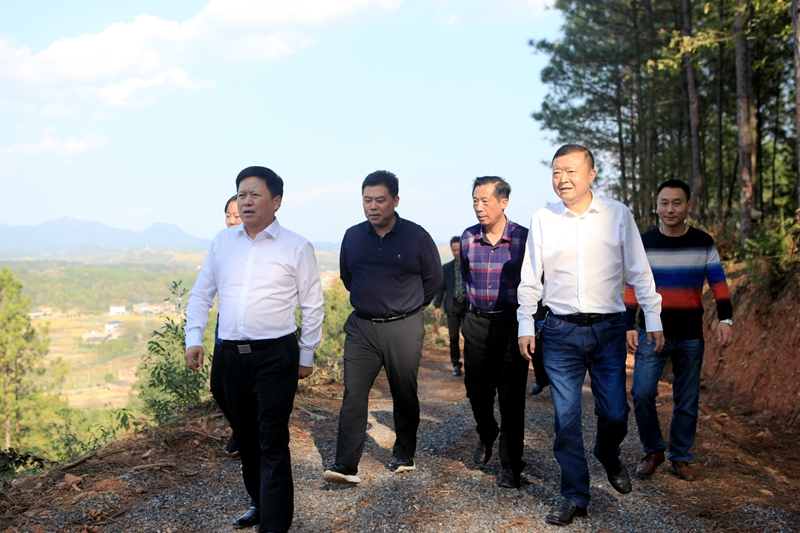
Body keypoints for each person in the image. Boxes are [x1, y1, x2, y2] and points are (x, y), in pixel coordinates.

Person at [517, 144, 664, 526]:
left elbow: (639, 270)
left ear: (591, 174)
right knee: (566, 420)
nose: (562, 179)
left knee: (615, 413)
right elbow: (531, 278)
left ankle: (607, 452)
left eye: (571, 171)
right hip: (560, 332)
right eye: (556, 172)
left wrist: (653, 316)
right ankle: (574, 495)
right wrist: (526, 324)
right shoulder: (543, 219)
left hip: (608, 330)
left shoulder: (617, 214)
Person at [184, 166, 324, 532]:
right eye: (241, 194)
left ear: (276, 201)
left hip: (275, 356)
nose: (246, 201)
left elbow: (312, 305)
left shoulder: (296, 246)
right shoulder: (222, 242)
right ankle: (260, 503)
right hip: (230, 357)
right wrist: (193, 338)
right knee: (246, 439)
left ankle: (274, 526)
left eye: (255, 194)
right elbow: (201, 295)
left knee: (272, 440)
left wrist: (306, 354)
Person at [324, 170, 442, 485]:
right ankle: (345, 464)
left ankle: (404, 452)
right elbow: (348, 277)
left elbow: (433, 279)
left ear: (395, 201)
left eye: (380, 200)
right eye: (367, 200)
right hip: (362, 327)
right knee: (354, 393)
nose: (373, 206)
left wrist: (409, 308)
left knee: (403, 391)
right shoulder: (352, 236)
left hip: (403, 326)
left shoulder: (416, 236)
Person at [625, 179, 734, 482]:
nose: (670, 209)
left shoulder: (703, 242)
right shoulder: (644, 243)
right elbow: (633, 285)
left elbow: (718, 283)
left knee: (686, 399)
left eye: (676, 203)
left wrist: (726, 319)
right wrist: (628, 323)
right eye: (664, 203)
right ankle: (653, 451)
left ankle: (680, 457)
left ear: (689, 206)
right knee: (642, 393)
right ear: (657, 206)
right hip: (651, 333)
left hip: (690, 335)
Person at [460, 176, 530, 489]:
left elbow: (535, 283)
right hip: (477, 323)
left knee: (511, 399)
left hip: (512, 324)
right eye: (475, 200)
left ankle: (511, 465)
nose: (479, 207)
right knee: (477, 392)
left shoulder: (523, 238)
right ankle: (486, 431)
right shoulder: (468, 237)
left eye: (485, 200)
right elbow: (465, 277)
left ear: (503, 202)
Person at [209, 195, 243, 456]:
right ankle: (241, 430)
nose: (231, 221)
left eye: (236, 216)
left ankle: (247, 434)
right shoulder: (221, 242)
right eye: (228, 215)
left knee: (244, 390)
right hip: (225, 328)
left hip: (255, 334)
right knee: (218, 386)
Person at [433, 236, 468, 377]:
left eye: (458, 250)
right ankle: (456, 364)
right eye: (454, 250)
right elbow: (441, 288)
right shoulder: (446, 268)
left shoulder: (469, 266)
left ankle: (470, 364)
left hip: (467, 306)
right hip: (452, 305)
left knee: (469, 336)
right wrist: (437, 306)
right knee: (453, 337)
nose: (456, 253)